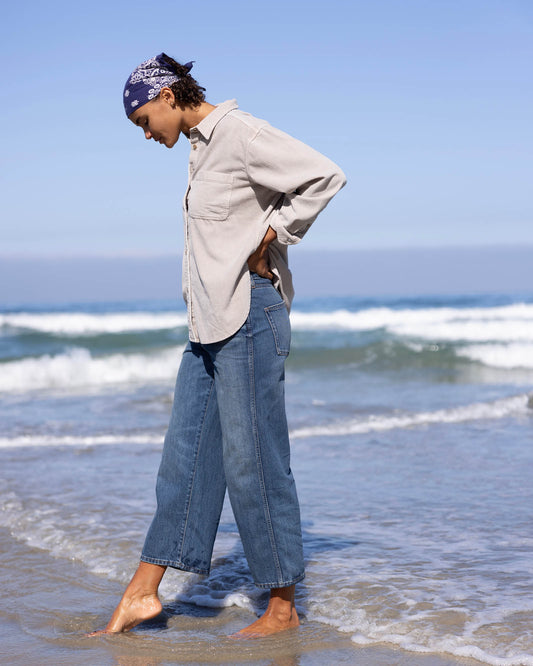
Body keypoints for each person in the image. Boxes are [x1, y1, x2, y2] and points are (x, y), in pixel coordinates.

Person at [91, 52, 346, 638]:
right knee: (183, 459)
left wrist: (272, 238)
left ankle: (282, 607)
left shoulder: (240, 133)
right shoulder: (200, 150)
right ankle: (142, 592)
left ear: (167, 97)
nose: (146, 134)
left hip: (249, 317)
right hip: (207, 325)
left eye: (143, 121)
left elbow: (324, 175)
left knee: (252, 462)